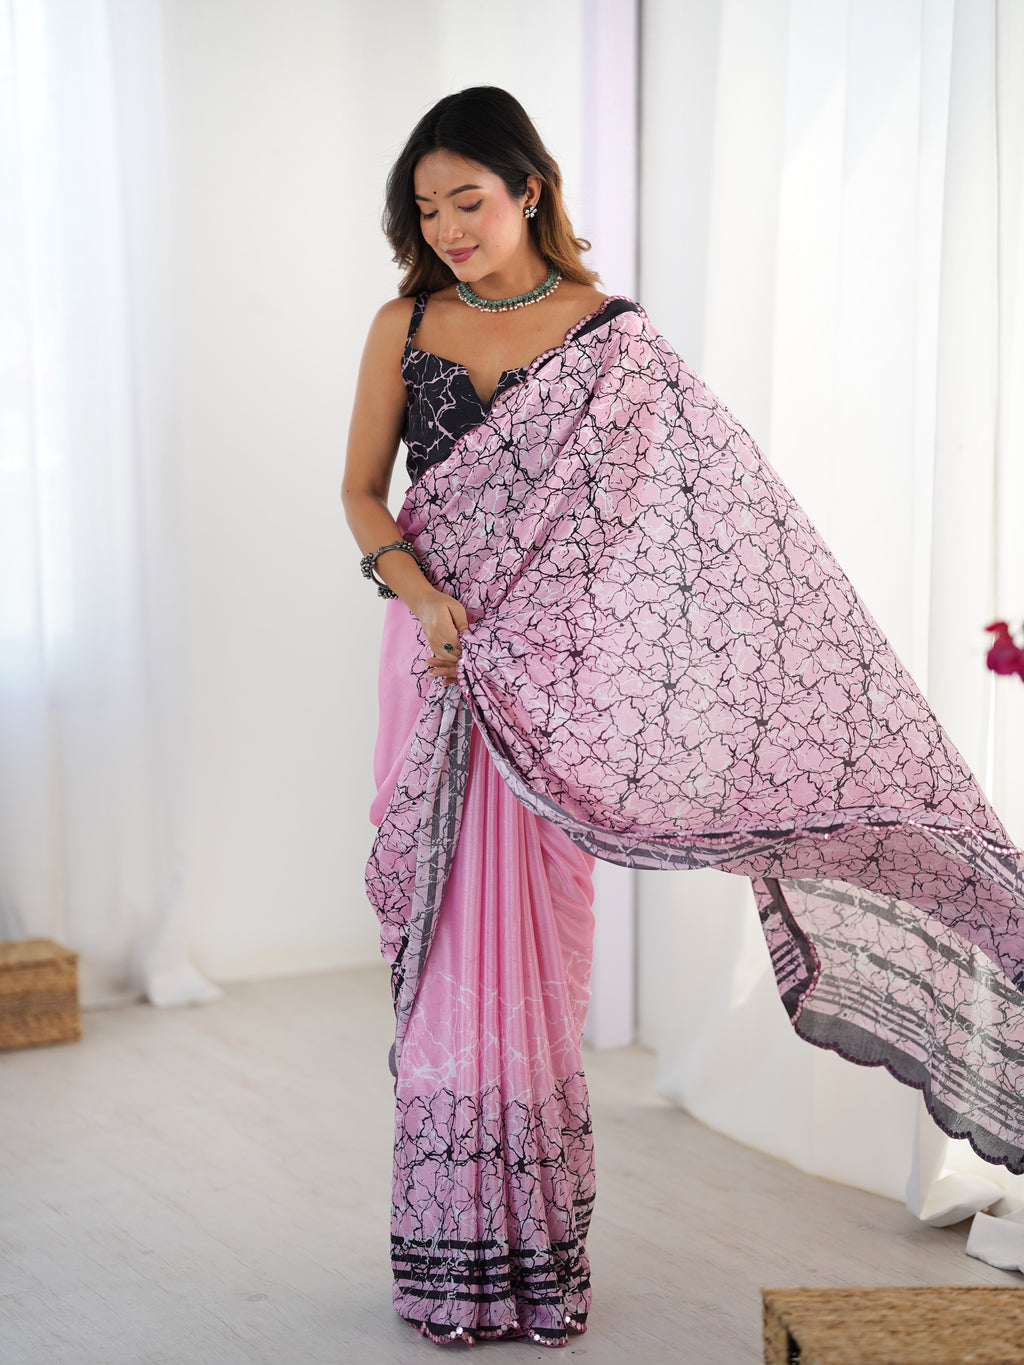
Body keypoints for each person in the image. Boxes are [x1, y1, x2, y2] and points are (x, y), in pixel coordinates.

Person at [342, 87, 1024, 1349]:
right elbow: (359, 495)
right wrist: (423, 593)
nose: (447, 229)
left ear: (529, 189)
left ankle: (531, 1258)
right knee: (445, 963)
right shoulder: (407, 324)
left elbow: (706, 523)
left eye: (467, 201)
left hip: (549, 685)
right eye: (426, 209)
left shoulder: (613, 344)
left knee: (532, 958)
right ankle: (451, 1259)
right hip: (435, 669)